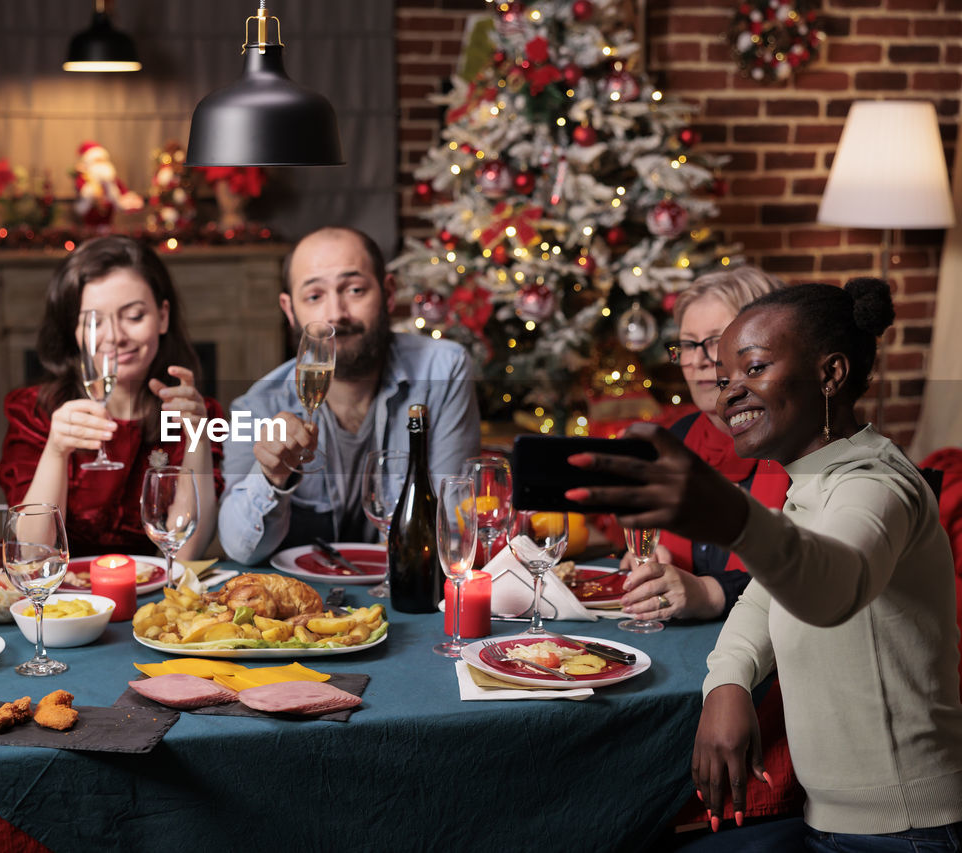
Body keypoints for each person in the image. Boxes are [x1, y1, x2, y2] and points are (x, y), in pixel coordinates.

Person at [571, 279, 962, 849]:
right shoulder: (816, 479)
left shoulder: (875, 486)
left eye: (753, 369)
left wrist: (730, 514)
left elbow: (832, 589)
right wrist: (727, 681)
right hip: (832, 817)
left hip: (905, 828)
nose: (728, 393)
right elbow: (763, 594)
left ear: (831, 375)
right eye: (726, 378)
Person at [217, 226, 481, 566]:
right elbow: (240, 550)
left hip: (408, 590)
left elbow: (452, 528)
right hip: (303, 606)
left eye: (355, 290)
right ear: (290, 309)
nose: (336, 314)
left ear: (388, 293)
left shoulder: (443, 371)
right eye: (314, 296)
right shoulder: (257, 407)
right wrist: (272, 475)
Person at [0, 236, 221, 558]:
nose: (115, 337)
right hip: (67, 601)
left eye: (134, 316)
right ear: (75, 332)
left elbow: (184, 556)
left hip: (153, 600)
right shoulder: (35, 411)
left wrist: (196, 436)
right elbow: (32, 555)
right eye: (95, 322)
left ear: (163, 316)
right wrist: (57, 450)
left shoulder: (198, 413)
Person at [620, 265, 787, 622]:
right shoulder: (674, 439)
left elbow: (816, 578)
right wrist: (652, 563)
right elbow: (648, 548)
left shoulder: (804, 448)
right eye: (687, 344)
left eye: (715, 342)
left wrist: (710, 593)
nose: (696, 361)